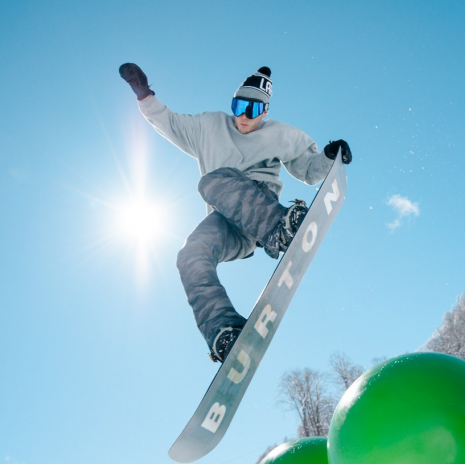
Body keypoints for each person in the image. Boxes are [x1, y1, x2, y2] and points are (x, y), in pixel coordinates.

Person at [119, 63, 352, 363]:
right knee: (189, 256)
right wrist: (144, 95)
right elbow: (170, 123)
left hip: (261, 208)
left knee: (213, 180)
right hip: (232, 228)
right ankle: (224, 330)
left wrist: (329, 158)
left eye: (253, 110)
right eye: (239, 106)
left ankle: (280, 228)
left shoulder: (281, 134)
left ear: (265, 112)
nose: (243, 116)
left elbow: (308, 170)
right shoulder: (209, 126)